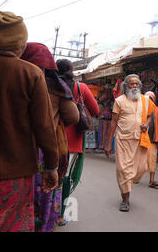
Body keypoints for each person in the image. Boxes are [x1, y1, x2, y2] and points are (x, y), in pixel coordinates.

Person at [0, 11, 59, 232]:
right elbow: (44, 127)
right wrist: (51, 166)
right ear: (20, 44)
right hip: (16, 174)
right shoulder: (30, 74)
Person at [21, 43, 79, 232]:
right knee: (46, 190)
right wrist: (54, 119)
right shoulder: (58, 85)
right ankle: (42, 225)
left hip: (18, 146)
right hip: (46, 147)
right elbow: (73, 117)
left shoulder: (17, 76)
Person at [56, 59, 99, 224]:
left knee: (49, 173)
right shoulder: (81, 88)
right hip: (73, 140)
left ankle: (44, 211)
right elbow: (95, 110)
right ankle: (60, 214)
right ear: (71, 70)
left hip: (51, 138)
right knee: (65, 177)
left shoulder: (49, 85)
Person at [105, 74, 155, 212]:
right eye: (131, 84)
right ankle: (125, 199)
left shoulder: (145, 100)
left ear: (139, 86)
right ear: (126, 86)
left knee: (141, 169)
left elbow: (151, 115)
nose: (134, 86)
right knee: (123, 170)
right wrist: (108, 143)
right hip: (123, 140)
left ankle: (127, 186)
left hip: (140, 140)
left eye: (136, 84)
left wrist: (147, 124)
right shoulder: (119, 101)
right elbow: (113, 122)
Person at [145, 91, 158, 188]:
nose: (149, 100)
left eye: (151, 99)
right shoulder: (141, 109)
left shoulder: (156, 109)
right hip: (142, 138)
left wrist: (157, 138)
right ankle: (134, 177)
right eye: (147, 99)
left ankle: (151, 180)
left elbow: (157, 125)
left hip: (152, 139)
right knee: (139, 159)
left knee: (152, 160)